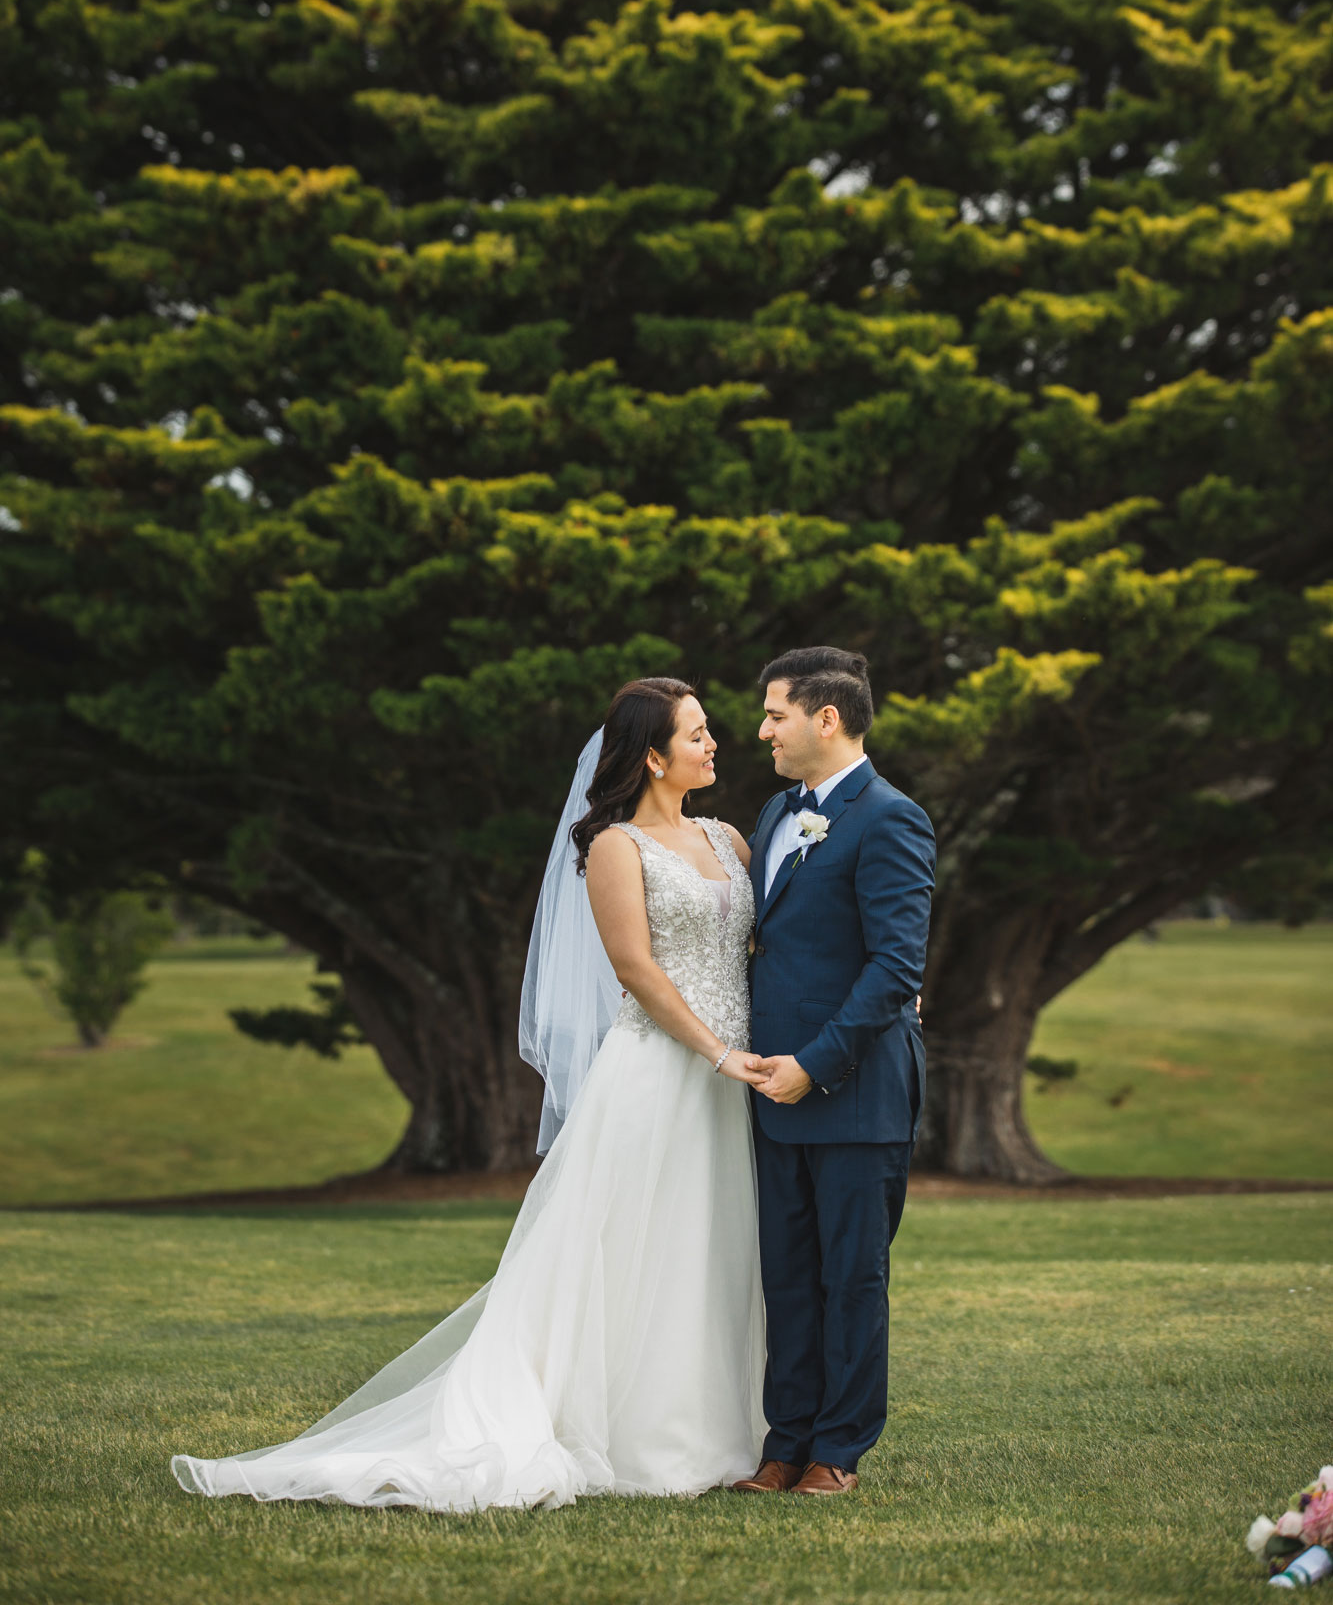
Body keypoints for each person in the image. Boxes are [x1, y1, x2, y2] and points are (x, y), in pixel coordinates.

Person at [171, 677, 770, 1511]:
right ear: (650, 755)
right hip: (659, 1073)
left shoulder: (730, 840)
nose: (716, 745)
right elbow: (635, 968)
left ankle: (715, 1428)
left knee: (711, 1243)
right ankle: (636, 1436)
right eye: (698, 734)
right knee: (636, 1246)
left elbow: (764, 947)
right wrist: (713, 1053)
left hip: (731, 1076)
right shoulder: (613, 848)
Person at [733, 646, 934, 1498]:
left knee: (851, 1278)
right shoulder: (778, 810)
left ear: (827, 718)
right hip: (769, 1090)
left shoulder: (890, 816)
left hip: (853, 1094)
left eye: (775, 713)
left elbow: (895, 966)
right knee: (786, 1275)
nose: (761, 730)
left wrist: (812, 1067)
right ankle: (784, 1444)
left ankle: (837, 1453)